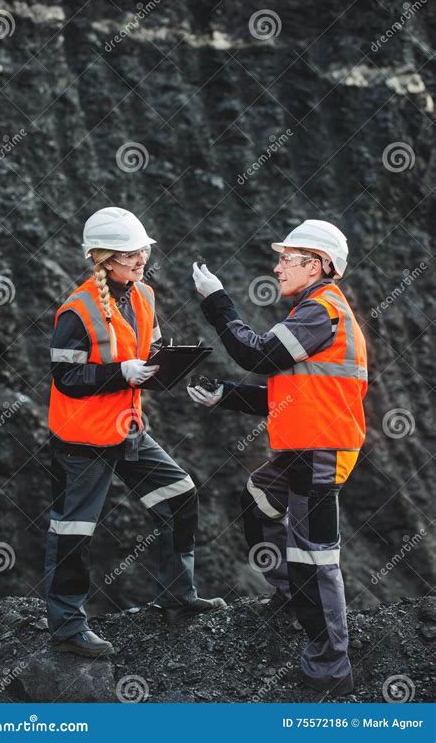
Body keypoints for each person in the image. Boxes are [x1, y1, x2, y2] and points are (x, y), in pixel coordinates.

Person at [188, 220, 367, 695]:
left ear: (320, 264)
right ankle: (294, 596)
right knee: (258, 499)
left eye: (287, 258)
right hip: (304, 446)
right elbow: (287, 394)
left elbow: (259, 354)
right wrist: (223, 395)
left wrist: (217, 302)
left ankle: (330, 670)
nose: (277, 266)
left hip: (321, 450)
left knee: (314, 554)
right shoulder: (313, 312)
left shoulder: (320, 311)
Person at [45, 207, 225, 658]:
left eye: (142, 250)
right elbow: (66, 378)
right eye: (129, 254)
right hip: (82, 440)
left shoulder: (142, 295)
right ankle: (67, 630)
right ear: (103, 258)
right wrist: (120, 372)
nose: (140, 258)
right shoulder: (77, 310)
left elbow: (153, 349)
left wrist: (168, 364)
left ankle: (176, 597)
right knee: (74, 531)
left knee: (180, 495)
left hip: (128, 429)